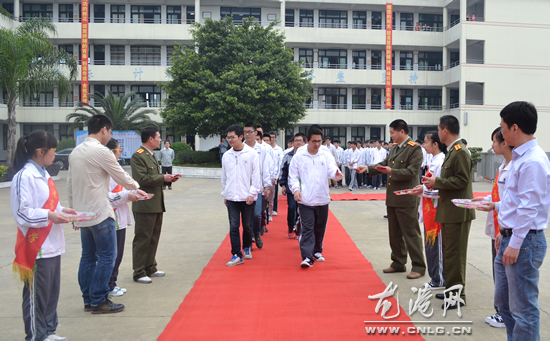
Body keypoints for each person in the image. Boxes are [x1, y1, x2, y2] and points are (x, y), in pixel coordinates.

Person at [68, 115, 140, 314]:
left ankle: (88, 300)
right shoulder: (101, 151)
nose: (110, 136)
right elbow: (121, 176)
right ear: (104, 130)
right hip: (100, 212)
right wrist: (136, 187)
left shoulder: (75, 152)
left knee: (88, 257)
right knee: (108, 256)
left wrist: (74, 212)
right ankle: (99, 299)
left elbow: (70, 185)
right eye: (110, 132)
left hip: (83, 213)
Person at [11, 130, 76, 341]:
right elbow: (22, 212)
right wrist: (49, 214)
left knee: (50, 293)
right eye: (53, 151)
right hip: (36, 247)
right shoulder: (24, 176)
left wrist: (63, 210)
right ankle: (36, 335)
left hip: (52, 243)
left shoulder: (44, 173)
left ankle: (48, 331)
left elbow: (50, 204)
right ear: (40, 151)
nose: (55, 155)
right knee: (36, 296)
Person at [493, 102, 549, 338]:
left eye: (503, 127)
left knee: (523, 310)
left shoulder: (532, 160)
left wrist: (514, 243)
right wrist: (503, 229)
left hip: (524, 242)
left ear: (514, 128)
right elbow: (513, 201)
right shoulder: (519, 157)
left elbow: (529, 208)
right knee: (504, 304)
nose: (501, 133)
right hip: (511, 237)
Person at [357, 119, 426, 280]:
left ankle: (418, 266)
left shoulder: (414, 149)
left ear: (402, 131)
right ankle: (398, 262)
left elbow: (412, 171)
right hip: (393, 197)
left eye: (392, 132)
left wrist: (392, 171)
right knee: (394, 233)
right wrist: (367, 168)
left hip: (407, 197)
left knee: (410, 233)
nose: (391, 135)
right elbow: (384, 164)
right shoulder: (395, 148)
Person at [422, 115, 475, 309]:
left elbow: (462, 180)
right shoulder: (453, 151)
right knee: (450, 255)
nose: (437, 132)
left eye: (439, 128)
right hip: (450, 211)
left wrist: (438, 182)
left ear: (445, 131)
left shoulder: (460, 151)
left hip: (457, 212)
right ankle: (452, 290)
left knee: (455, 255)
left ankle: (457, 295)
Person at [474, 127, 512, 329]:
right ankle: (501, 311)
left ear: (505, 142)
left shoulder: (515, 166)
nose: (492, 145)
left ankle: (505, 313)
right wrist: (486, 199)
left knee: (505, 275)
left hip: (506, 227)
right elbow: (500, 196)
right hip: (498, 224)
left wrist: (494, 205)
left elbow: (515, 203)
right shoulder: (503, 166)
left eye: (494, 142)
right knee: (499, 272)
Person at [289, 127, 343, 267]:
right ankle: (307, 256)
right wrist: (295, 190)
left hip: (322, 198)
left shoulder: (325, 155)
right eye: (314, 141)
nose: (317, 144)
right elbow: (293, 176)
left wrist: (336, 174)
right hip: (305, 199)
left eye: (319, 141)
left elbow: (331, 169)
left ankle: (317, 250)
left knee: (320, 227)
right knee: (307, 227)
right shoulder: (299, 157)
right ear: (307, 140)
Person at [131, 126, 179, 284]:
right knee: (143, 238)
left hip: (155, 203)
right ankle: (139, 271)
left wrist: (167, 178)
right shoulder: (138, 156)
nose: (160, 140)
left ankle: (150, 267)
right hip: (145, 205)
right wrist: (163, 178)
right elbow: (141, 179)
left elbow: (154, 176)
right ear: (150, 139)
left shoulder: (150, 155)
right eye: (158, 137)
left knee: (153, 237)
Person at [106, 138, 146, 297]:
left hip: (120, 216)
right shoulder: (105, 172)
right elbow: (107, 196)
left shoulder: (117, 170)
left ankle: (112, 282)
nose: (119, 154)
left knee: (119, 253)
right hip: (111, 217)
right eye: (118, 151)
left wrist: (135, 193)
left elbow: (125, 187)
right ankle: (108, 285)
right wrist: (126, 195)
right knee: (112, 255)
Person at [410, 131, 446, 291]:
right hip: (428, 209)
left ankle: (438, 279)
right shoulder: (433, 160)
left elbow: (440, 189)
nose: (424, 145)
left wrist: (423, 190)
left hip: (435, 211)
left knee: (434, 246)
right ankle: (434, 278)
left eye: (426, 142)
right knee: (429, 246)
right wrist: (422, 189)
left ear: (435, 144)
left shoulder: (441, 162)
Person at [221, 125, 261, 266]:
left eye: (233, 137)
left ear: (240, 137)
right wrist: (225, 193)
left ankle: (246, 247)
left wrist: (252, 193)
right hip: (232, 197)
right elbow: (224, 177)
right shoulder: (227, 156)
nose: (230, 140)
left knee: (247, 226)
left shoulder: (251, 154)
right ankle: (236, 254)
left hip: (247, 197)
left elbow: (256, 176)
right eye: (228, 137)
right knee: (233, 226)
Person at [244, 123, 272, 248]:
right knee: (246, 217)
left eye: (250, 132)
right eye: (245, 132)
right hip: (244, 188)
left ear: (256, 133)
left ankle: (256, 233)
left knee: (257, 214)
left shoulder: (262, 150)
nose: (247, 134)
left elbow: (265, 168)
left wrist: (267, 186)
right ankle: (248, 239)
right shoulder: (241, 148)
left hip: (258, 187)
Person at [279, 132, 306, 239]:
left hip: (304, 188)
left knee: (302, 209)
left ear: (304, 142)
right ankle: (290, 227)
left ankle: (299, 229)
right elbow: (283, 171)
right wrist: (283, 185)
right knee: (292, 207)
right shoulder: (288, 156)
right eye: (296, 140)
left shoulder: (307, 156)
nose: (298, 142)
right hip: (291, 187)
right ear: (293, 142)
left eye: (300, 140)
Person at [268, 131, 284, 217]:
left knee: (274, 192)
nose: (271, 139)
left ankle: (274, 208)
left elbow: (280, 163)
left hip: (276, 174)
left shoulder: (279, 149)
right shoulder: (265, 148)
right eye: (270, 137)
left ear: (275, 138)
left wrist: (278, 175)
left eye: (273, 137)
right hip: (268, 174)